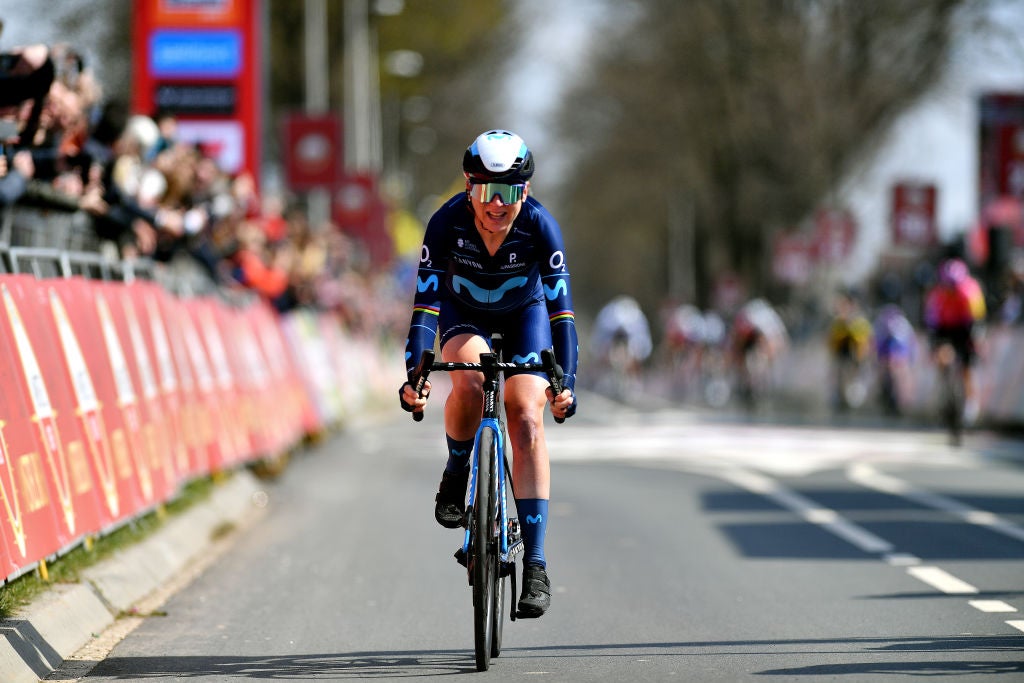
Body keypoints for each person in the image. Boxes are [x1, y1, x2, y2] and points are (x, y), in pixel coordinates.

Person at [399, 129, 578, 618]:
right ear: (467, 186)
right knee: (472, 378)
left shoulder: (542, 227)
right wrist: (415, 375)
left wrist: (566, 385)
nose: (497, 206)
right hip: (466, 313)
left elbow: (563, 317)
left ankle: (536, 565)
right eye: (485, 192)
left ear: (526, 191)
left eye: (510, 193)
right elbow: (425, 307)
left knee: (525, 416)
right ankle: (457, 471)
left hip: (527, 316)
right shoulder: (444, 223)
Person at [923, 258, 986, 422]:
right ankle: (945, 387)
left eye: (954, 287)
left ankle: (970, 401)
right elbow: (932, 322)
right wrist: (934, 347)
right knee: (942, 356)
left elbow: (977, 320)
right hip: (945, 329)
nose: (951, 290)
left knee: (967, 367)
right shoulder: (937, 294)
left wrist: (976, 341)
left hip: (965, 327)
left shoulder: (970, 291)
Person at [590, 295, 651, 399]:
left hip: (630, 338)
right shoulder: (608, 316)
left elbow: (643, 342)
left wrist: (636, 358)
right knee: (604, 354)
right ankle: (603, 378)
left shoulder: (637, 319)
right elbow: (599, 339)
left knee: (636, 355)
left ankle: (635, 380)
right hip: (609, 336)